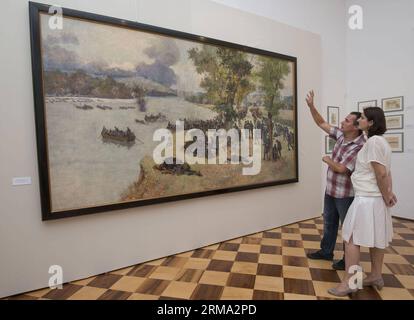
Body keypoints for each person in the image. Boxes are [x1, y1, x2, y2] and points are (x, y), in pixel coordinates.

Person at [328, 107, 397, 297]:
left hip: (366, 198)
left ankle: (350, 283)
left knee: (350, 239)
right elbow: (386, 171)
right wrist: (388, 193)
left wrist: (386, 194)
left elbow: (381, 173)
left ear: (372, 123)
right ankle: (375, 275)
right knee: (377, 238)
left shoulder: (373, 142)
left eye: (364, 118)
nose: (360, 120)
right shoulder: (380, 142)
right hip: (374, 199)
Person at [305, 90, 366, 270]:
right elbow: (321, 122)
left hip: (346, 194)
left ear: (355, 127)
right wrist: (311, 106)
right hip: (331, 190)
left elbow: (341, 169)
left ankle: (349, 261)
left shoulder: (359, 147)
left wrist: (327, 159)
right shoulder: (340, 134)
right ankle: (326, 252)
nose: (342, 122)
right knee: (329, 223)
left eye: (346, 120)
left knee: (348, 229)